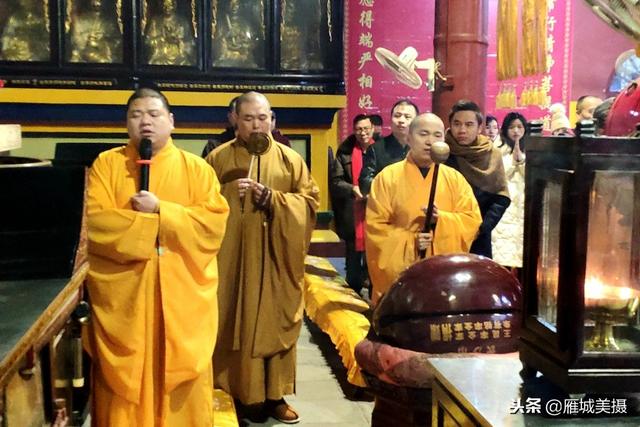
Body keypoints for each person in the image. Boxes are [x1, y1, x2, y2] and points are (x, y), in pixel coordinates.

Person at [85, 88, 229, 426]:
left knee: (182, 382)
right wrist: (152, 227)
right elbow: (94, 223)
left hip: (182, 300)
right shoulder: (106, 165)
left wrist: (162, 211)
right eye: (136, 115)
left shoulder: (197, 170)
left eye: (154, 114)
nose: (145, 122)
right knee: (123, 388)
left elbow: (212, 225)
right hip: (126, 302)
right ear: (126, 124)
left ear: (171, 122)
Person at [206, 91, 319, 423]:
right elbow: (202, 207)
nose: (257, 125)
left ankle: (275, 396)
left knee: (274, 323)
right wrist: (230, 193)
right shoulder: (218, 159)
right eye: (248, 118)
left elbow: (309, 203)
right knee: (232, 322)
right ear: (234, 121)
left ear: (273, 120)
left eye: (263, 118)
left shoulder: (290, 160)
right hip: (233, 262)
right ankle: (235, 392)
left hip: (276, 260)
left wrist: (273, 199)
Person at [366, 113, 482, 304]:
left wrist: (442, 220)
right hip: (403, 281)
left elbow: (472, 221)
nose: (430, 142)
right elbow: (376, 229)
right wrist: (412, 242)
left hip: (443, 279)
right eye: (424, 134)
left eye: (437, 135)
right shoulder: (387, 178)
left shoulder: (455, 179)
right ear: (409, 138)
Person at [445, 100, 510, 259]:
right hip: (446, 230)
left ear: (479, 127)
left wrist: (482, 228)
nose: (462, 130)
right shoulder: (443, 152)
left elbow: (501, 197)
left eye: (469, 124)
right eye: (457, 124)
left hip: (478, 234)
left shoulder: (491, 154)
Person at [330, 114, 375, 296]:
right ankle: (353, 298)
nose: (363, 133)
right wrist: (352, 189)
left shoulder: (379, 150)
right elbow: (336, 181)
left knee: (374, 262)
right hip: (352, 213)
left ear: (372, 129)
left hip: (376, 212)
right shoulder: (345, 151)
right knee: (354, 264)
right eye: (359, 129)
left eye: (366, 129)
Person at [491, 112, 527, 272]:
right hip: (505, 207)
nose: (516, 131)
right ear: (505, 130)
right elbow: (496, 176)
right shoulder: (496, 150)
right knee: (502, 256)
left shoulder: (533, 149)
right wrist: (514, 162)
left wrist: (522, 161)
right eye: (512, 127)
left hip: (523, 207)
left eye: (520, 127)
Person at [359, 99, 419, 195]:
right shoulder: (376, 148)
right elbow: (365, 184)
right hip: (386, 204)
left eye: (407, 117)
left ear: (416, 122)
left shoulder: (420, 149)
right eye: (397, 116)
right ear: (391, 119)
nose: (401, 120)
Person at [144, 0, 196, 66]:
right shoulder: (155, 22)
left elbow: (190, 42)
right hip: (161, 55)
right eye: (164, 5)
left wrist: (178, 41)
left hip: (179, 56)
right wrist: (162, 38)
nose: (167, 8)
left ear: (174, 6)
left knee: (187, 65)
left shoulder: (182, 22)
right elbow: (148, 41)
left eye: (169, 5)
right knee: (155, 64)